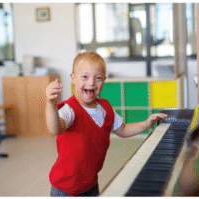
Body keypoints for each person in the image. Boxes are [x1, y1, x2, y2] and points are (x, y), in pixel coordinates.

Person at [45, 51, 168, 197]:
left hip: (90, 184)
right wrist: (50, 104)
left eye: (98, 78)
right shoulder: (70, 109)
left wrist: (147, 124)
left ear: (104, 80)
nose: (91, 83)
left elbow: (123, 129)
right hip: (64, 189)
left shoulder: (105, 108)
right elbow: (55, 129)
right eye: (85, 77)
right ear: (73, 78)